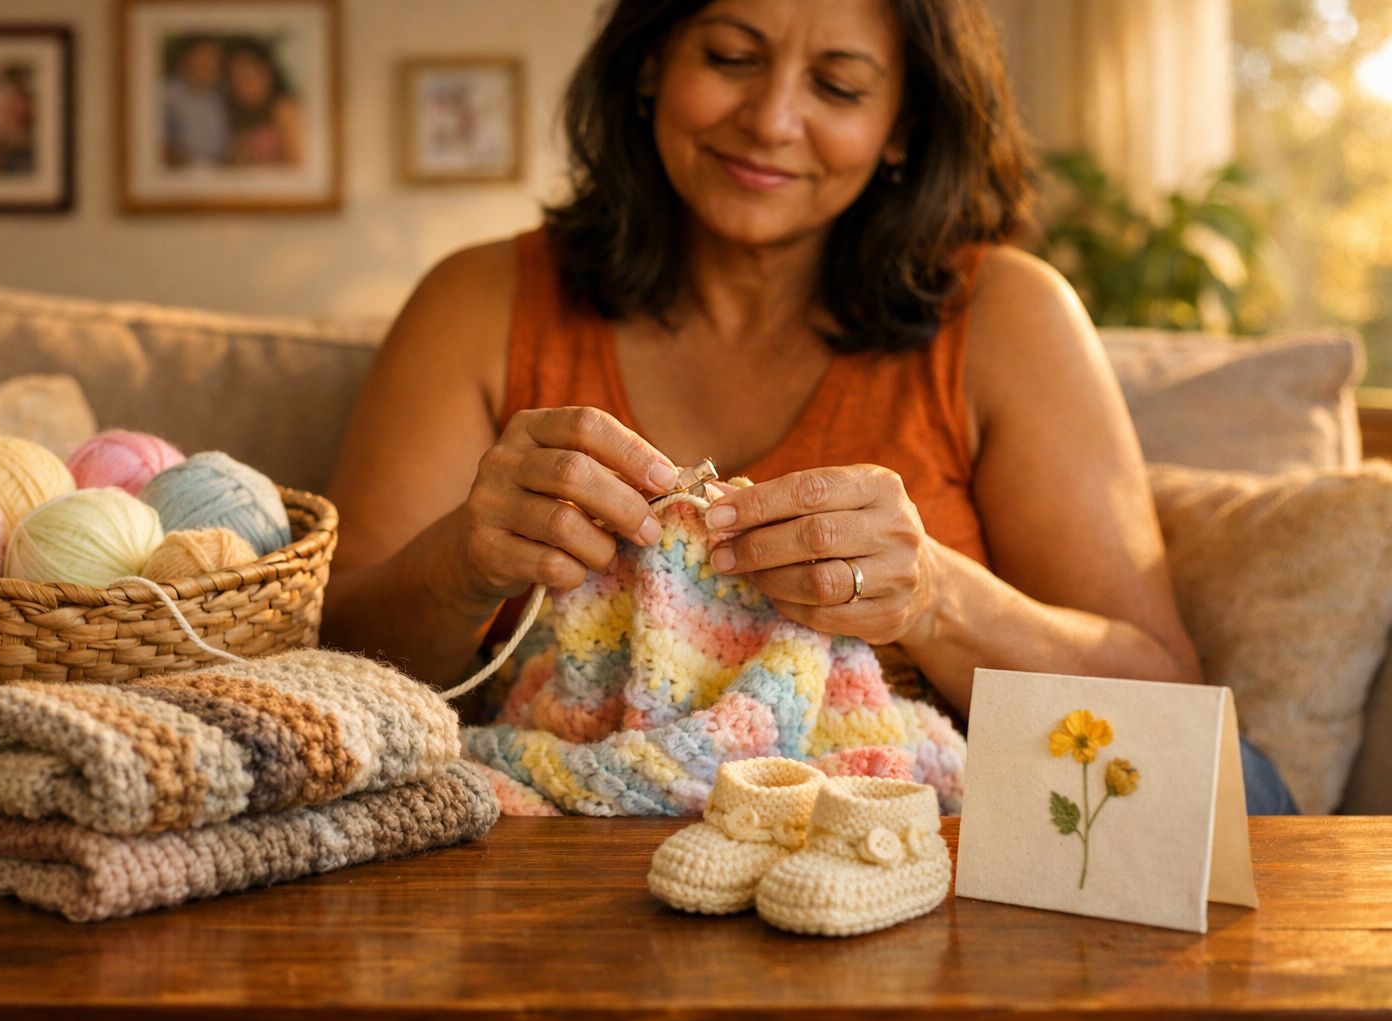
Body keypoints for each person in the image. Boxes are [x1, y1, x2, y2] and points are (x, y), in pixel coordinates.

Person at [323, 0, 1298, 813]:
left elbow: (1176, 720)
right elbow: (318, 666)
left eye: (838, 86)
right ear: (654, 60)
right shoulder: (479, 302)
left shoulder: (1008, 317)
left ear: (903, 125)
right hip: (572, 850)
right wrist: (462, 564)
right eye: (732, 56)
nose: (772, 118)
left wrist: (934, 600)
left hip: (913, 861)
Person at [224, 39, 303, 167]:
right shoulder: (240, 115)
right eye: (235, 77)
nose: (242, 85)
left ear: (267, 74)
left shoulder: (284, 109)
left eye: (248, 75)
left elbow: (298, 167)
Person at [162, 35, 229, 167]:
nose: (211, 65)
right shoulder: (167, 96)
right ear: (185, 61)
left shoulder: (222, 95)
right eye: (203, 58)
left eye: (215, 59)